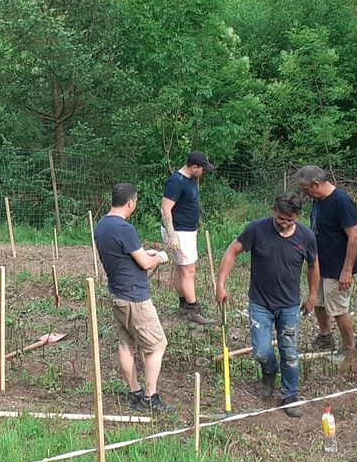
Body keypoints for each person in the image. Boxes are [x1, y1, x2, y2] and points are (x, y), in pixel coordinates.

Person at [214, 193, 320, 418]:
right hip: (260, 303)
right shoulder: (257, 229)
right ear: (273, 210)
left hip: (289, 306)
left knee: (290, 352)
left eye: (289, 220)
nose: (284, 223)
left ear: (297, 217)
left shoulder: (306, 237)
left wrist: (312, 296)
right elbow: (232, 251)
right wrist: (220, 285)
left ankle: (290, 394)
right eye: (281, 218)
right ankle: (270, 370)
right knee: (262, 351)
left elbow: (313, 266)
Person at [94, 182, 173, 413]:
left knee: (126, 343)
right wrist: (159, 257)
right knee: (157, 345)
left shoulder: (102, 225)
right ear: (131, 202)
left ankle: (134, 392)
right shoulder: (124, 228)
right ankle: (150, 398)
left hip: (117, 293)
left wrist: (144, 254)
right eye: (135, 202)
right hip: (135, 298)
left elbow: (125, 255)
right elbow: (145, 263)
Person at [295, 165, 357, 362]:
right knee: (319, 302)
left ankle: (349, 350)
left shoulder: (341, 201)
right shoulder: (319, 200)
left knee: (339, 308)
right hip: (321, 264)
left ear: (316, 184)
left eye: (306, 189)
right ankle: (325, 337)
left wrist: (347, 271)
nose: (304, 193)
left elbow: (355, 237)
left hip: (339, 267)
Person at [160, 150, 215, 325]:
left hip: (186, 231)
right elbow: (165, 210)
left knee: (181, 268)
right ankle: (193, 308)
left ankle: (183, 305)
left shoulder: (191, 179)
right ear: (193, 167)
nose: (204, 172)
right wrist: (172, 235)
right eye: (202, 169)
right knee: (188, 271)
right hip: (179, 233)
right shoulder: (176, 182)